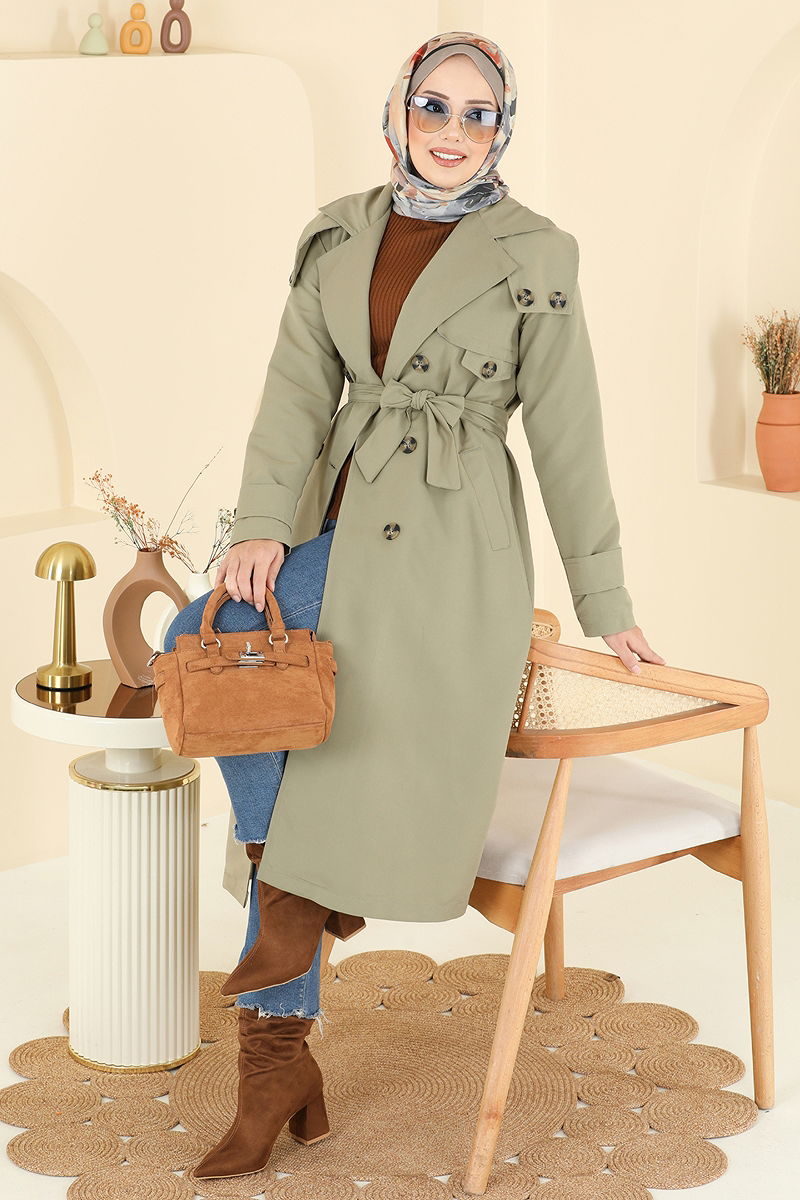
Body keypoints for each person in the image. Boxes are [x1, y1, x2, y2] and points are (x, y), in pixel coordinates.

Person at [168, 30, 664, 1181]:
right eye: (432, 106)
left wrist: (603, 595)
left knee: (257, 697)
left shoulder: (534, 251)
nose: (451, 130)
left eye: (476, 113)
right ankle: (288, 950)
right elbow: (296, 389)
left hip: (448, 544)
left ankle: (275, 1023)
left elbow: (569, 432)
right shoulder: (339, 233)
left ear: (502, 129)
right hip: (337, 518)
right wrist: (260, 526)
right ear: (395, 111)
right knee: (204, 639)